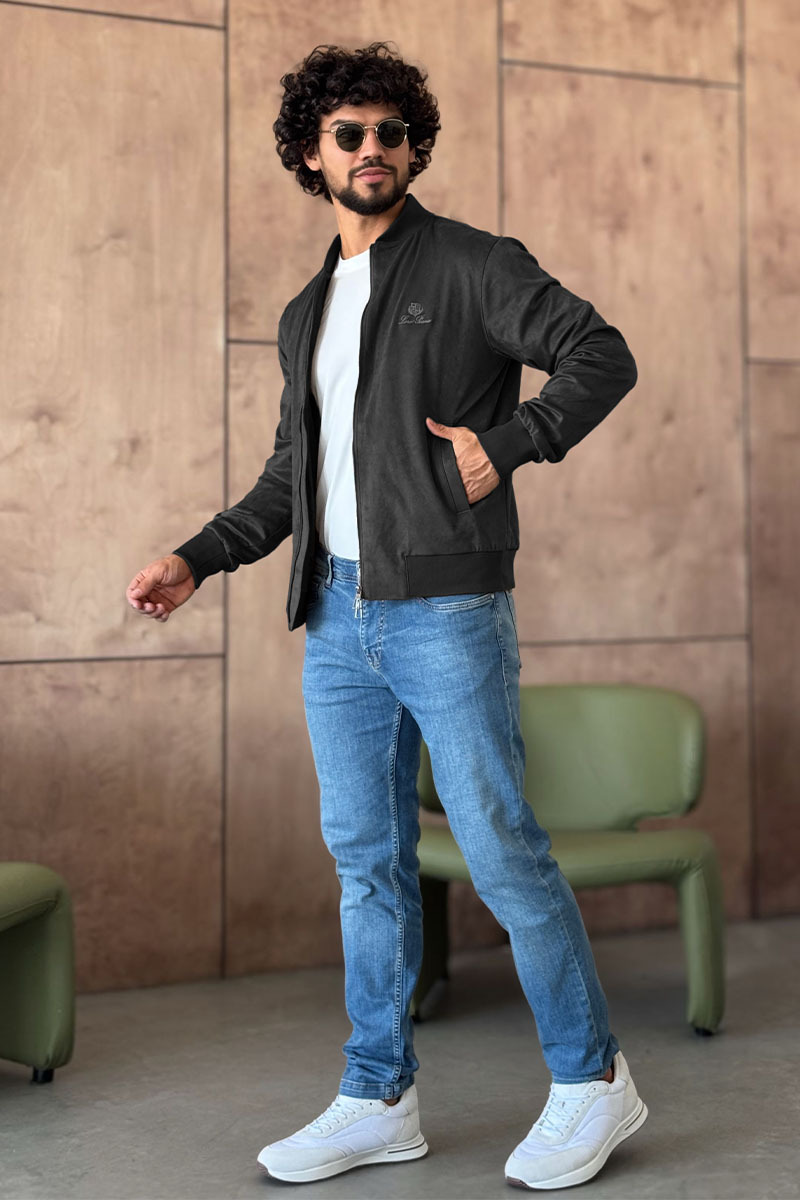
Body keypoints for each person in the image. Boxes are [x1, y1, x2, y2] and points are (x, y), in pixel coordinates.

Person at [126, 40, 646, 1192]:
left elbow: (597, 354)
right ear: (310, 154)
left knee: (499, 848)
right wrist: (198, 557)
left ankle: (592, 1080)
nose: (372, 149)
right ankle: (377, 1097)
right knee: (365, 862)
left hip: (446, 609)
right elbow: (291, 476)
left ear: (412, 148)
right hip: (336, 616)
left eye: (390, 133)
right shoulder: (306, 310)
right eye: (348, 134)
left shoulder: (471, 264)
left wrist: (511, 443)